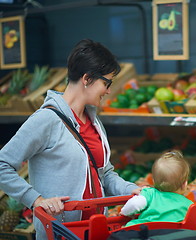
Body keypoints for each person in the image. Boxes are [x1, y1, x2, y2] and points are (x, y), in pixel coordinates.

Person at [0, 39, 141, 239]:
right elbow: (2, 164)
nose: (108, 90)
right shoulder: (46, 120)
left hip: (99, 230)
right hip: (62, 233)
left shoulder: (94, 121)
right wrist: (36, 200)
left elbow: (105, 173)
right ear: (87, 78)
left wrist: (133, 189)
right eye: (106, 83)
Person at [120, 150, 196, 229]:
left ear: (153, 181)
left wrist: (124, 212)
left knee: (128, 228)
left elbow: (134, 204)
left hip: (146, 233)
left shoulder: (149, 193)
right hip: (172, 235)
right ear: (185, 184)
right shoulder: (188, 204)